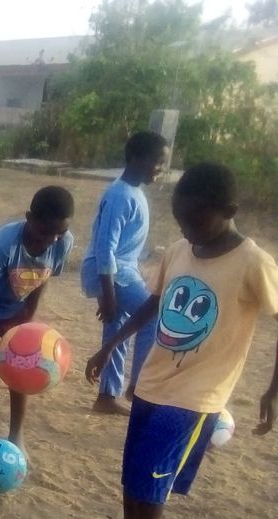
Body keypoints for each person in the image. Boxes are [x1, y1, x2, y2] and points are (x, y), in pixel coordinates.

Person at [85, 163, 278, 519]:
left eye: (197, 221)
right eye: (181, 221)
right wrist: (110, 344)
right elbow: (152, 305)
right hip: (154, 382)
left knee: (154, 475)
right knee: (133, 471)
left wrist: (272, 390)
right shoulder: (178, 251)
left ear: (230, 211)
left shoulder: (253, 263)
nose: (188, 230)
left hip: (198, 395)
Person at [0, 186, 75, 454]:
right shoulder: (1, 247)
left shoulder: (63, 242)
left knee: (23, 364)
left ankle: (15, 432)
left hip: (18, 307)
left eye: (60, 233)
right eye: (45, 232)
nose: (52, 240)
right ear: (29, 218)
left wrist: (27, 320)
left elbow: (43, 278)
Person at [81, 130, 169, 415]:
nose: (160, 168)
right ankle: (139, 388)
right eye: (156, 161)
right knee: (152, 318)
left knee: (117, 328)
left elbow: (127, 246)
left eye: (162, 163)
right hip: (113, 273)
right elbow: (105, 246)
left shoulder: (134, 193)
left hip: (122, 272)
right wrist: (107, 293)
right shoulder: (119, 195)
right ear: (135, 159)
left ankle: (107, 396)